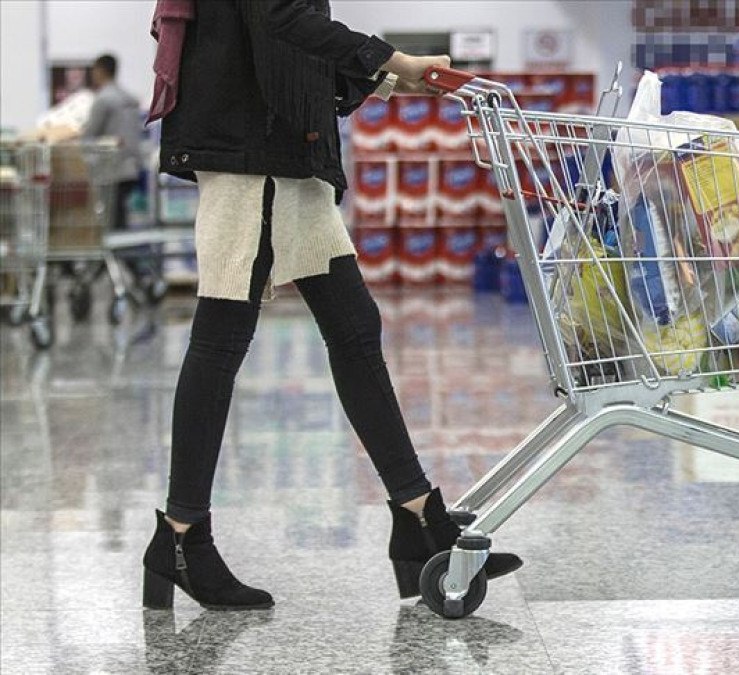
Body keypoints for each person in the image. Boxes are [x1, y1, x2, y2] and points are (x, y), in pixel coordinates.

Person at [140, 0, 521, 611]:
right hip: (250, 153)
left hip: (285, 151)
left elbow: (282, 38)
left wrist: (387, 78)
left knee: (353, 328)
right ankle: (182, 538)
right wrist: (392, 60)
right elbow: (282, 17)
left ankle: (417, 516)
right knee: (221, 339)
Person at [81, 54, 165, 299]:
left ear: (100, 71)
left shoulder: (103, 101)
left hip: (110, 173)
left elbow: (89, 138)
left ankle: (140, 277)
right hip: (131, 170)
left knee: (115, 230)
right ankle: (142, 276)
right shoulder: (129, 100)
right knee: (122, 226)